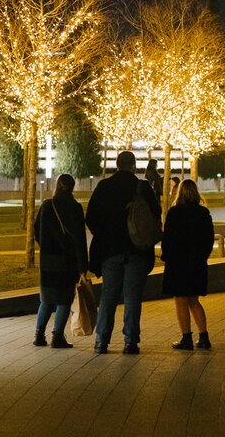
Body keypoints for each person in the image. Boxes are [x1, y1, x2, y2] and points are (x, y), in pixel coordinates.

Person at [86, 150, 161, 355]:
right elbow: (157, 213)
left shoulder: (104, 186)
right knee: (132, 298)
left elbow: (90, 216)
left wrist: (103, 233)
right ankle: (130, 342)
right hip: (136, 249)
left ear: (117, 165)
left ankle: (101, 341)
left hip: (110, 250)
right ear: (133, 166)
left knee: (108, 296)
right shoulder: (142, 187)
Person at [33, 172, 87, 348]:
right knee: (64, 298)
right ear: (72, 187)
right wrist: (82, 266)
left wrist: (46, 246)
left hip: (48, 260)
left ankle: (39, 335)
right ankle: (57, 336)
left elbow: (36, 230)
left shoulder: (47, 206)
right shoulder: (75, 208)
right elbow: (79, 239)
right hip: (67, 261)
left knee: (47, 298)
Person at [162, 179, 216, 350]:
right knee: (194, 300)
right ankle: (204, 336)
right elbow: (208, 239)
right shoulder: (203, 213)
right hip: (197, 263)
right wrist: (201, 257)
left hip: (178, 263)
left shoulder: (174, 213)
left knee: (180, 300)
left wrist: (167, 257)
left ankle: (186, 338)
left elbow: (168, 238)